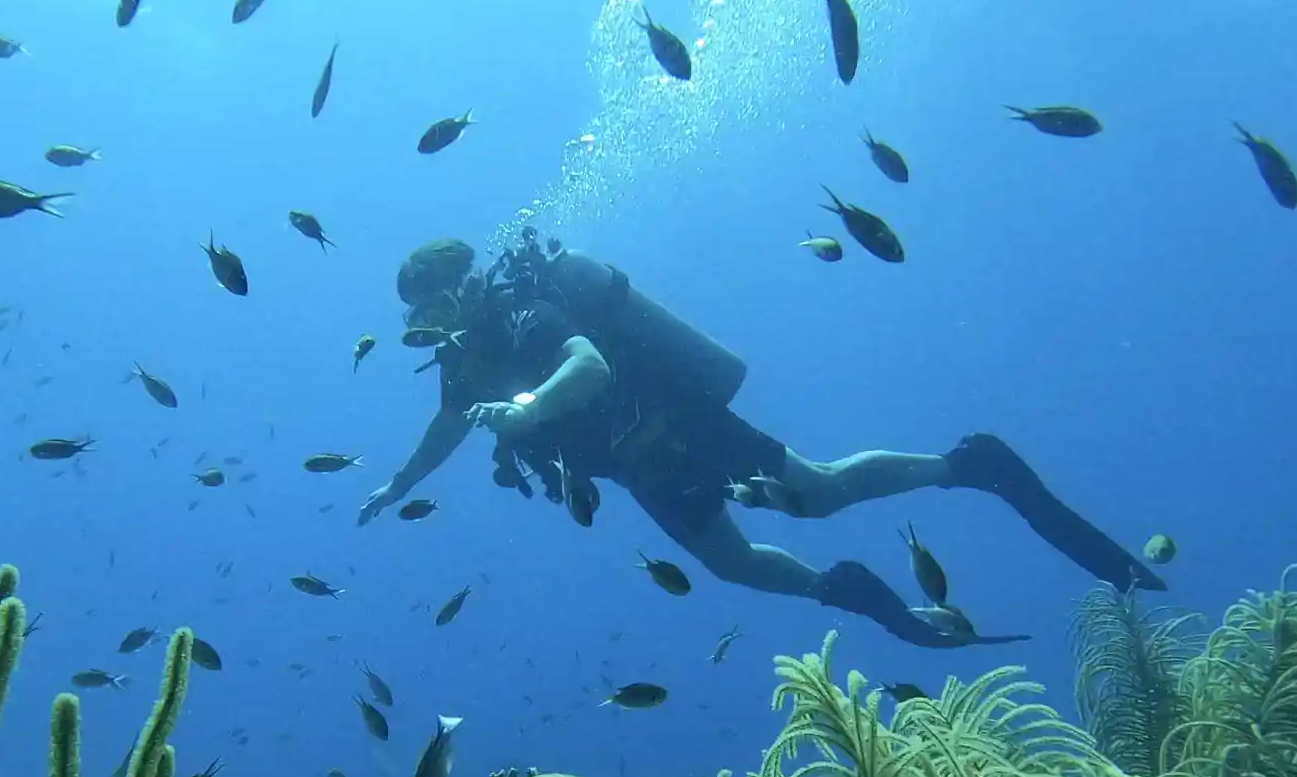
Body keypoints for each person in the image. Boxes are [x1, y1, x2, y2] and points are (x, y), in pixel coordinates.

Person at [358, 231, 1163, 649]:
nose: (429, 321)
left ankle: (967, 463)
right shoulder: (467, 361)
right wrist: (398, 485)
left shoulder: (520, 314)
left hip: (677, 421)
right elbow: (445, 426)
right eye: (418, 314)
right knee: (733, 564)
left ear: (463, 284)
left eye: (434, 301)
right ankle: (851, 592)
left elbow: (591, 364)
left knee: (820, 492)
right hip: (642, 469)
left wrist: (531, 406)